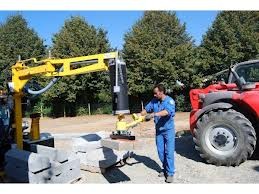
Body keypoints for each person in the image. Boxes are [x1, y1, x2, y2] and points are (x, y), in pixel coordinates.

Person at [141, 83, 175, 183]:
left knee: (169, 152)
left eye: (156, 93)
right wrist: (139, 116)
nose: (154, 95)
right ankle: (165, 169)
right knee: (161, 152)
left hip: (168, 130)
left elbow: (167, 112)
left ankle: (170, 173)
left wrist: (153, 115)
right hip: (158, 130)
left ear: (161, 92)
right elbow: (146, 109)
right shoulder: (154, 101)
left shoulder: (170, 101)